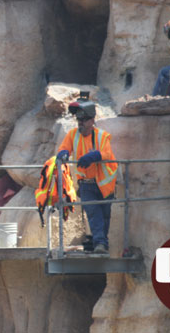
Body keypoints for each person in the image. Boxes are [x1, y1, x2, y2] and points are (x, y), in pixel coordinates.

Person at [56, 98, 118, 254]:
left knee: (104, 216)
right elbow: (64, 148)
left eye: (83, 120)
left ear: (91, 120)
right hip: (86, 184)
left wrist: (94, 156)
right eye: (79, 120)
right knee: (93, 213)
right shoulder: (72, 135)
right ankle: (100, 243)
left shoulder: (102, 136)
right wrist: (63, 154)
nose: (80, 123)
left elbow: (106, 153)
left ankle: (102, 242)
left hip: (105, 184)